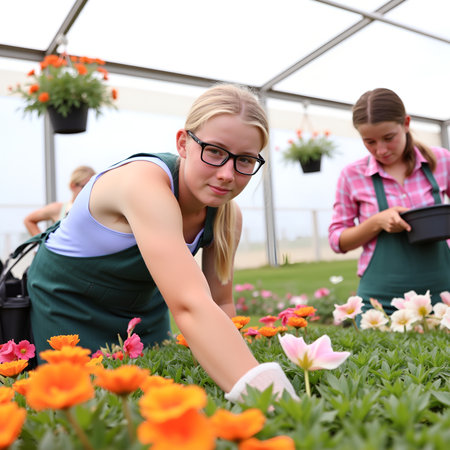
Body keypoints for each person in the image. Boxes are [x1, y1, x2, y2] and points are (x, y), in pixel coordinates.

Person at [24, 84, 297, 402]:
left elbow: (220, 303)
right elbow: (190, 304)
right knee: (89, 405)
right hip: (67, 304)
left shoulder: (227, 216)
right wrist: (274, 399)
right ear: (184, 143)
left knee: (155, 396)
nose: (227, 174)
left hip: (142, 311)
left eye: (245, 160)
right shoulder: (144, 183)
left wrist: (232, 367)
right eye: (215, 152)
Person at [329, 88, 450, 315]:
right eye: (369, 142)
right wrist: (377, 222)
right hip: (380, 304)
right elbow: (337, 240)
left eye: (388, 138)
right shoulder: (352, 175)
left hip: (445, 297)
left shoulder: (442, 161)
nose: (381, 150)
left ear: (405, 123)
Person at [24, 165, 96, 236]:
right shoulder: (59, 209)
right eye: (85, 187)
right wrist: (41, 243)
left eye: (92, 187)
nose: (89, 191)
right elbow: (29, 220)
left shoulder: (96, 210)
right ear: (72, 186)